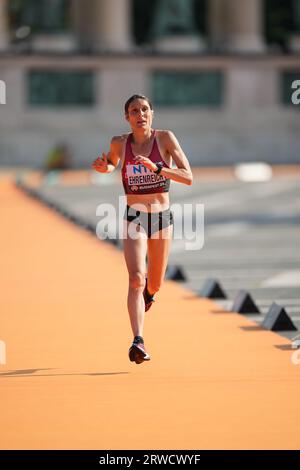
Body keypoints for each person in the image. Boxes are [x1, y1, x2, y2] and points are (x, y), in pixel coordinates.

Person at [91, 94, 193, 365]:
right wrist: (105, 167)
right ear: (127, 117)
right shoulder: (119, 143)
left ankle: (150, 295)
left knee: (154, 282)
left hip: (161, 218)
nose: (140, 114)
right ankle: (138, 340)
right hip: (134, 217)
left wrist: (159, 168)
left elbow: (188, 176)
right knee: (136, 278)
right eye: (134, 111)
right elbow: (112, 162)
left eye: (145, 109)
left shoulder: (165, 139)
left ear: (152, 113)